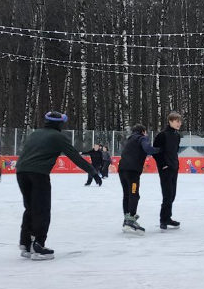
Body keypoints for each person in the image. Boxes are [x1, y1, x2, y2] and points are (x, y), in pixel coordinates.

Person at [15, 111, 101, 260]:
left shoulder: (35, 134)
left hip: (21, 172)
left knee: (30, 207)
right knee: (41, 209)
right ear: (59, 124)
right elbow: (75, 157)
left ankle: (26, 243)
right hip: (39, 174)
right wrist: (92, 172)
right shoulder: (58, 137)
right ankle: (38, 246)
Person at [121, 124, 160, 235]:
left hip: (122, 169)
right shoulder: (142, 138)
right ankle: (131, 220)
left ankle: (126, 219)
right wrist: (160, 150)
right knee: (134, 194)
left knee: (127, 195)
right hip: (132, 171)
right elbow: (148, 149)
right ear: (143, 131)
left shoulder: (129, 139)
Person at [153, 112, 183, 230]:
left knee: (173, 194)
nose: (179, 124)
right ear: (170, 121)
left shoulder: (177, 135)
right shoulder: (162, 135)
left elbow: (175, 151)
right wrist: (163, 165)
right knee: (167, 194)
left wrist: (175, 164)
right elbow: (156, 152)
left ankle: (168, 217)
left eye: (180, 122)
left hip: (174, 167)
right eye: (177, 121)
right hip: (165, 168)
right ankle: (163, 219)